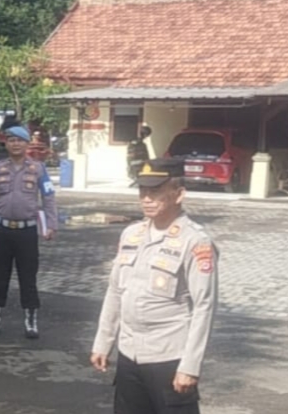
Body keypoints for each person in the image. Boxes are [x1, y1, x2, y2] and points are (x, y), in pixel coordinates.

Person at [90, 158, 218, 414]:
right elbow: (115, 291)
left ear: (178, 194)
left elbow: (204, 306)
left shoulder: (195, 241)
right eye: (142, 191)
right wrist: (103, 342)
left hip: (169, 357)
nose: (146, 199)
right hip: (129, 354)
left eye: (156, 191)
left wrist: (190, 366)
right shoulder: (131, 234)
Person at [0, 124, 57, 340]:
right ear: (6, 144)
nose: (16, 144)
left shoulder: (38, 169)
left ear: (27, 144)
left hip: (27, 232)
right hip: (2, 230)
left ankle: (30, 320)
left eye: (20, 140)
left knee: (28, 276)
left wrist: (51, 225)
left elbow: (48, 197)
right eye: (11, 140)